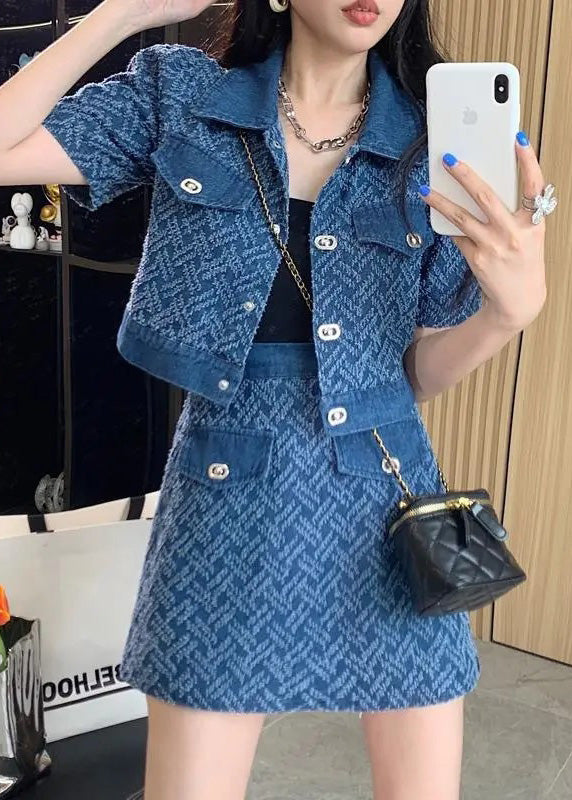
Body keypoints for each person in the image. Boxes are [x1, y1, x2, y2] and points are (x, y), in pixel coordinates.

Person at [0, 1, 549, 798]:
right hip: (224, 499)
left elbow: (416, 375)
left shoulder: (432, 145)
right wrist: (124, 12)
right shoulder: (184, 97)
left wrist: (507, 315)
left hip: (387, 506)